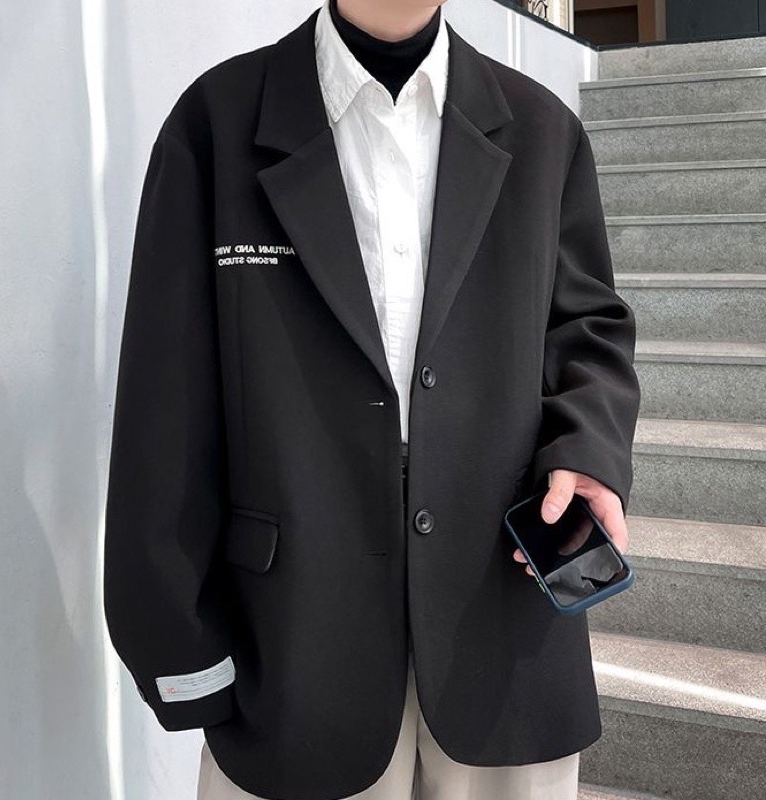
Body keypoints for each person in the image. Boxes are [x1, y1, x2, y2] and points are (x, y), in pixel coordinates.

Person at [103, 1, 641, 799]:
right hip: (291, 649)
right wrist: (177, 647)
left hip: (501, 638)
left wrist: (587, 447)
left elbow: (588, 328)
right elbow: (164, 398)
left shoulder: (541, 130)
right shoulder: (216, 124)